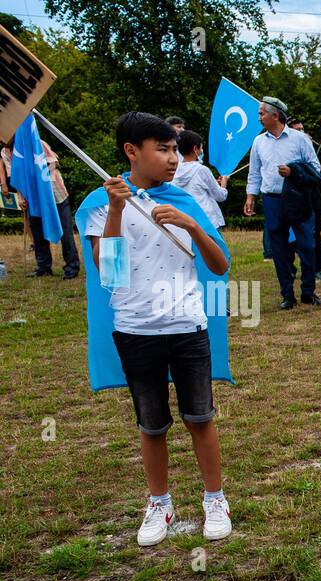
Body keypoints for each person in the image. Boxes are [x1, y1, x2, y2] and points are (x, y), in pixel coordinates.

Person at [80, 112, 233, 545]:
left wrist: (191, 225)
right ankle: (159, 504)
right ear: (132, 151)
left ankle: (214, 499)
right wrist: (114, 208)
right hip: (136, 330)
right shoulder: (102, 203)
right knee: (151, 424)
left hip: (187, 325)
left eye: (174, 150)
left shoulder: (186, 200)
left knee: (200, 417)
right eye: (162, 150)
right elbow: (109, 273)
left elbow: (220, 265)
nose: (172, 160)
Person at [242, 96, 321, 310]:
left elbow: (316, 168)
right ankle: (287, 295)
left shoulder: (299, 139)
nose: (258, 117)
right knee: (278, 248)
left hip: (298, 198)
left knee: (307, 245)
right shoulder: (259, 142)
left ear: (275, 115)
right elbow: (254, 173)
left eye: (261, 114)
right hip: (272, 201)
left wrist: (293, 172)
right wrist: (250, 196)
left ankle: (308, 292)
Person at [4, 135, 81, 279]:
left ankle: (72, 267)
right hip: (33, 198)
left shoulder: (37, 142)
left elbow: (54, 163)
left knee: (65, 231)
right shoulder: (5, 152)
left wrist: (41, 181)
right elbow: (15, 177)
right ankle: (44, 267)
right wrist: (21, 197)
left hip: (55, 193)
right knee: (37, 232)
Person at [290, 119, 321, 279]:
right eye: (297, 130)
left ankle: (318, 267)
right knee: (290, 234)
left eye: (303, 129)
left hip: (311, 194)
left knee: (314, 231)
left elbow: (317, 170)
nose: (302, 132)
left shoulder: (309, 146)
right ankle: (290, 267)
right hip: (293, 194)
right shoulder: (288, 148)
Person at [172, 130, 228, 230]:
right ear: (195, 149)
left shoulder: (175, 170)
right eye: (201, 148)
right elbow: (220, 196)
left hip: (188, 220)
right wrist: (223, 184)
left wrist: (213, 182)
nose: (202, 151)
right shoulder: (202, 170)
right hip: (207, 221)